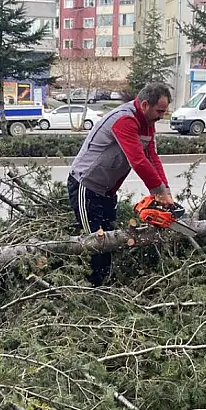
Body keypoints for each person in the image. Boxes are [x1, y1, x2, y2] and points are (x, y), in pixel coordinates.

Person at [67, 82, 174, 286]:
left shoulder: (148, 125)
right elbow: (138, 161)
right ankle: (92, 291)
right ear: (144, 105)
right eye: (159, 111)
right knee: (96, 241)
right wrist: (157, 191)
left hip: (107, 191)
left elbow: (152, 157)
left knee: (111, 239)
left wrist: (165, 193)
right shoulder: (124, 120)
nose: (162, 116)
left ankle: (105, 284)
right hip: (86, 185)